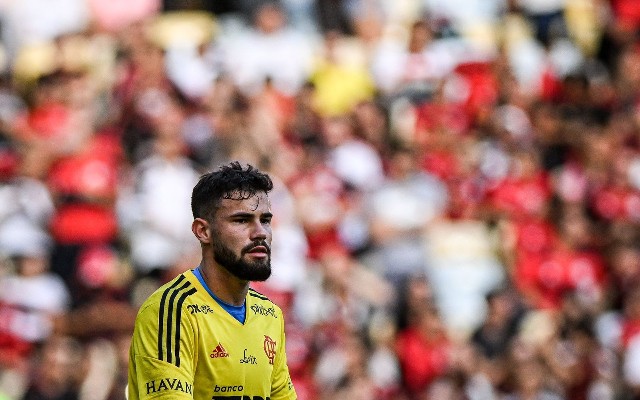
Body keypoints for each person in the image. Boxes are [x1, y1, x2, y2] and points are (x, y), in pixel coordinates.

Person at [127, 161, 297, 399]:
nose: (260, 232)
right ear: (203, 231)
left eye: (265, 220)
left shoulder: (270, 314)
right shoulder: (171, 310)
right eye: (241, 220)